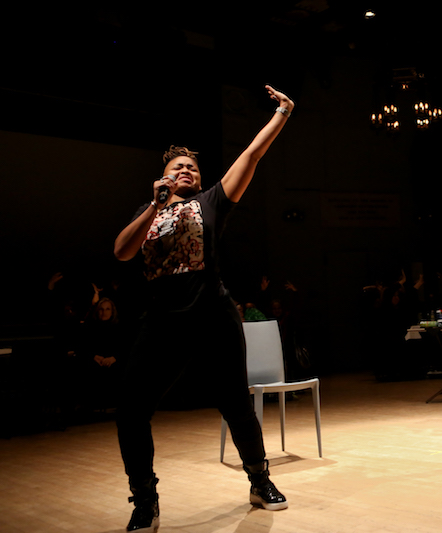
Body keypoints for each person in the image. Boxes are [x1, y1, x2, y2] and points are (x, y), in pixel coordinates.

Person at [113, 85, 294, 531]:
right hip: (161, 321)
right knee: (131, 410)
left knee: (236, 404)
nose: (187, 171)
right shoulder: (149, 211)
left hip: (213, 315)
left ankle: (259, 480)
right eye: (179, 167)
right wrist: (153, 207)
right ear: (163, 177)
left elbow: (250, 156)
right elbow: (121, 251)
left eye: (193, 167)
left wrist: (282, 114)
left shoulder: (210, 202)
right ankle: (145, 500)